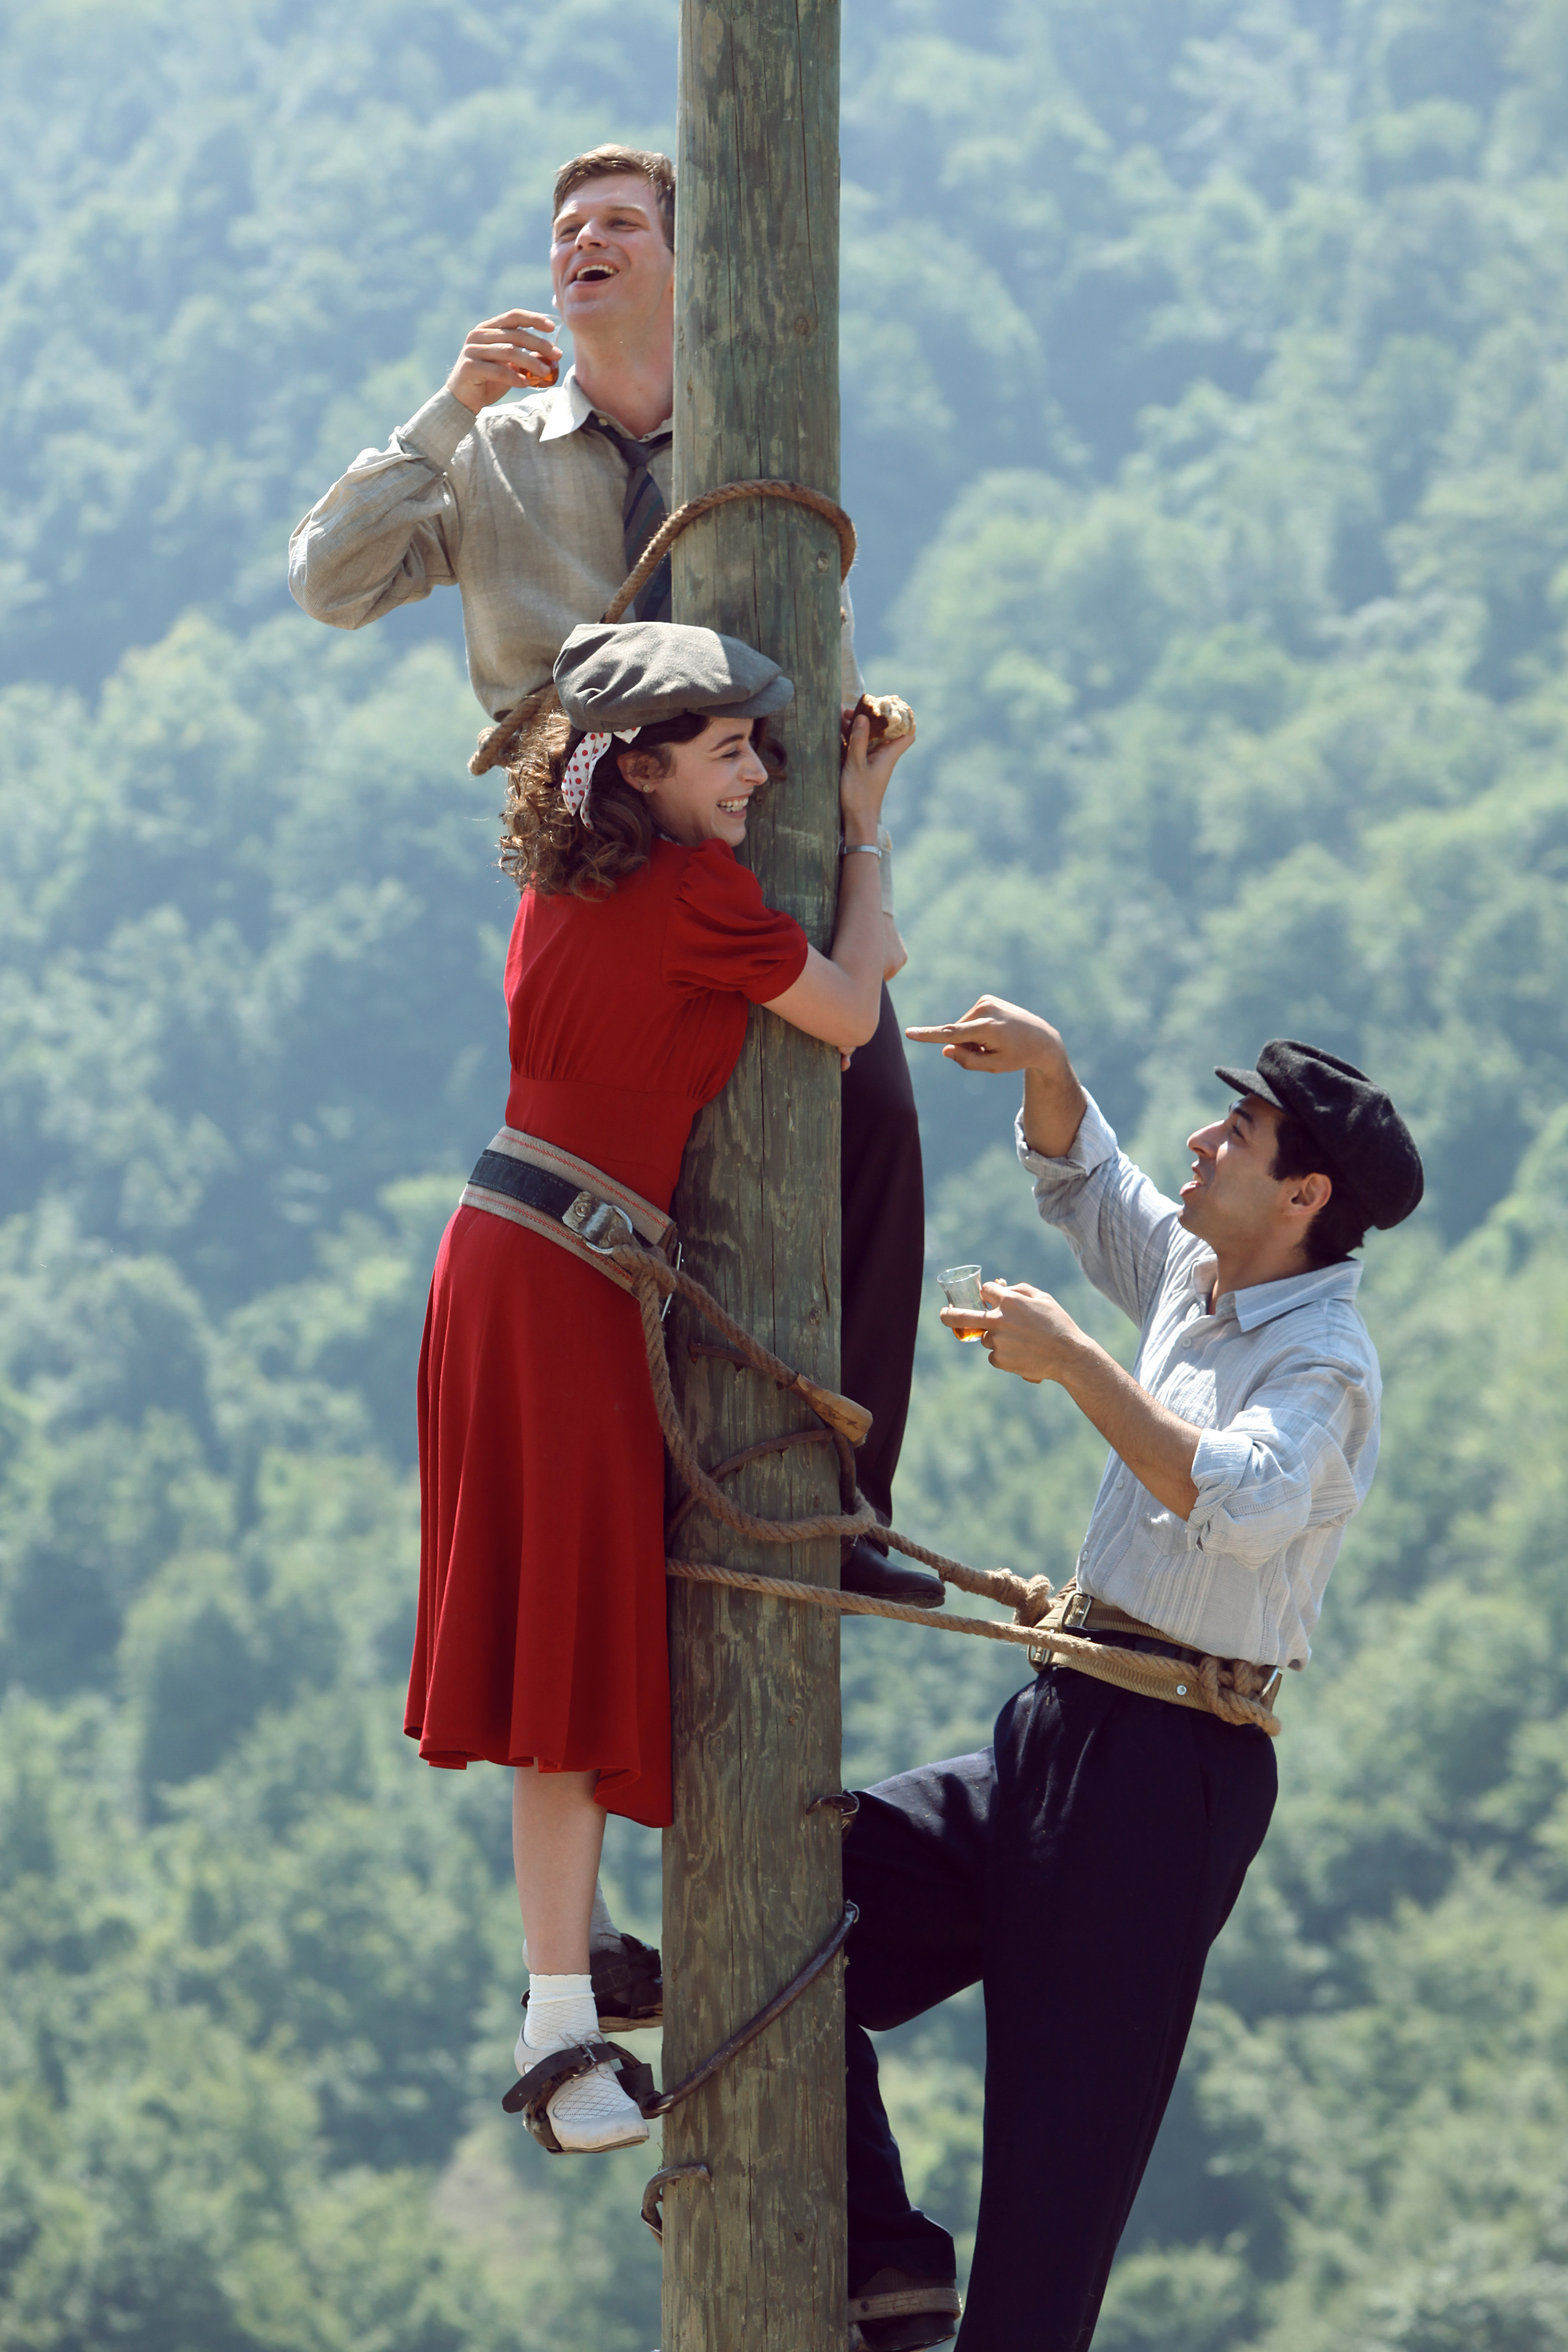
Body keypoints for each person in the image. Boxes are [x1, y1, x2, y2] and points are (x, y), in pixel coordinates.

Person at [288, 143, 927, 1608]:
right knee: (641, 1179)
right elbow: (328, 580)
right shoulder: (498, 449)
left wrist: (853, 757)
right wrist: (447, 408)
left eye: (620, 224)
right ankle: (647, 1518)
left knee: (874, 1120)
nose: (584, 241)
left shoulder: (753, 424)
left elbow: (810, 619)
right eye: (566, 228)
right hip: (598, 869)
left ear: (683, 265)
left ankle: (847, 1504)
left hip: (765, 837)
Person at [837, 996, 1424, 2350]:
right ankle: (885, 2255)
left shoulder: (1324, 1365)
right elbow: (1095, 1183)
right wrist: (1047, 1068)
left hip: (1170, 1771)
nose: (1201, 1142)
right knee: (798, 1917)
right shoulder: (1204, 1278)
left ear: (1303, 1194)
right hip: (1066, 1718)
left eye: (1237, 1132)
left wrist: (1076, 1364)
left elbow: (1237, 1497)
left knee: (1056, 2173)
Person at [406, 618, 914, 2153]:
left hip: (506, 1254)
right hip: (562, 1286)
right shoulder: (697, 892)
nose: (760, 770)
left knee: (549, 1641)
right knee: (559, 1652)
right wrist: (867, 842)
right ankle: (560, 2029)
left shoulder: (563, 876)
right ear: (640, 763)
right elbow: (849, 1006)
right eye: (730, 748)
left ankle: (572, 1976)